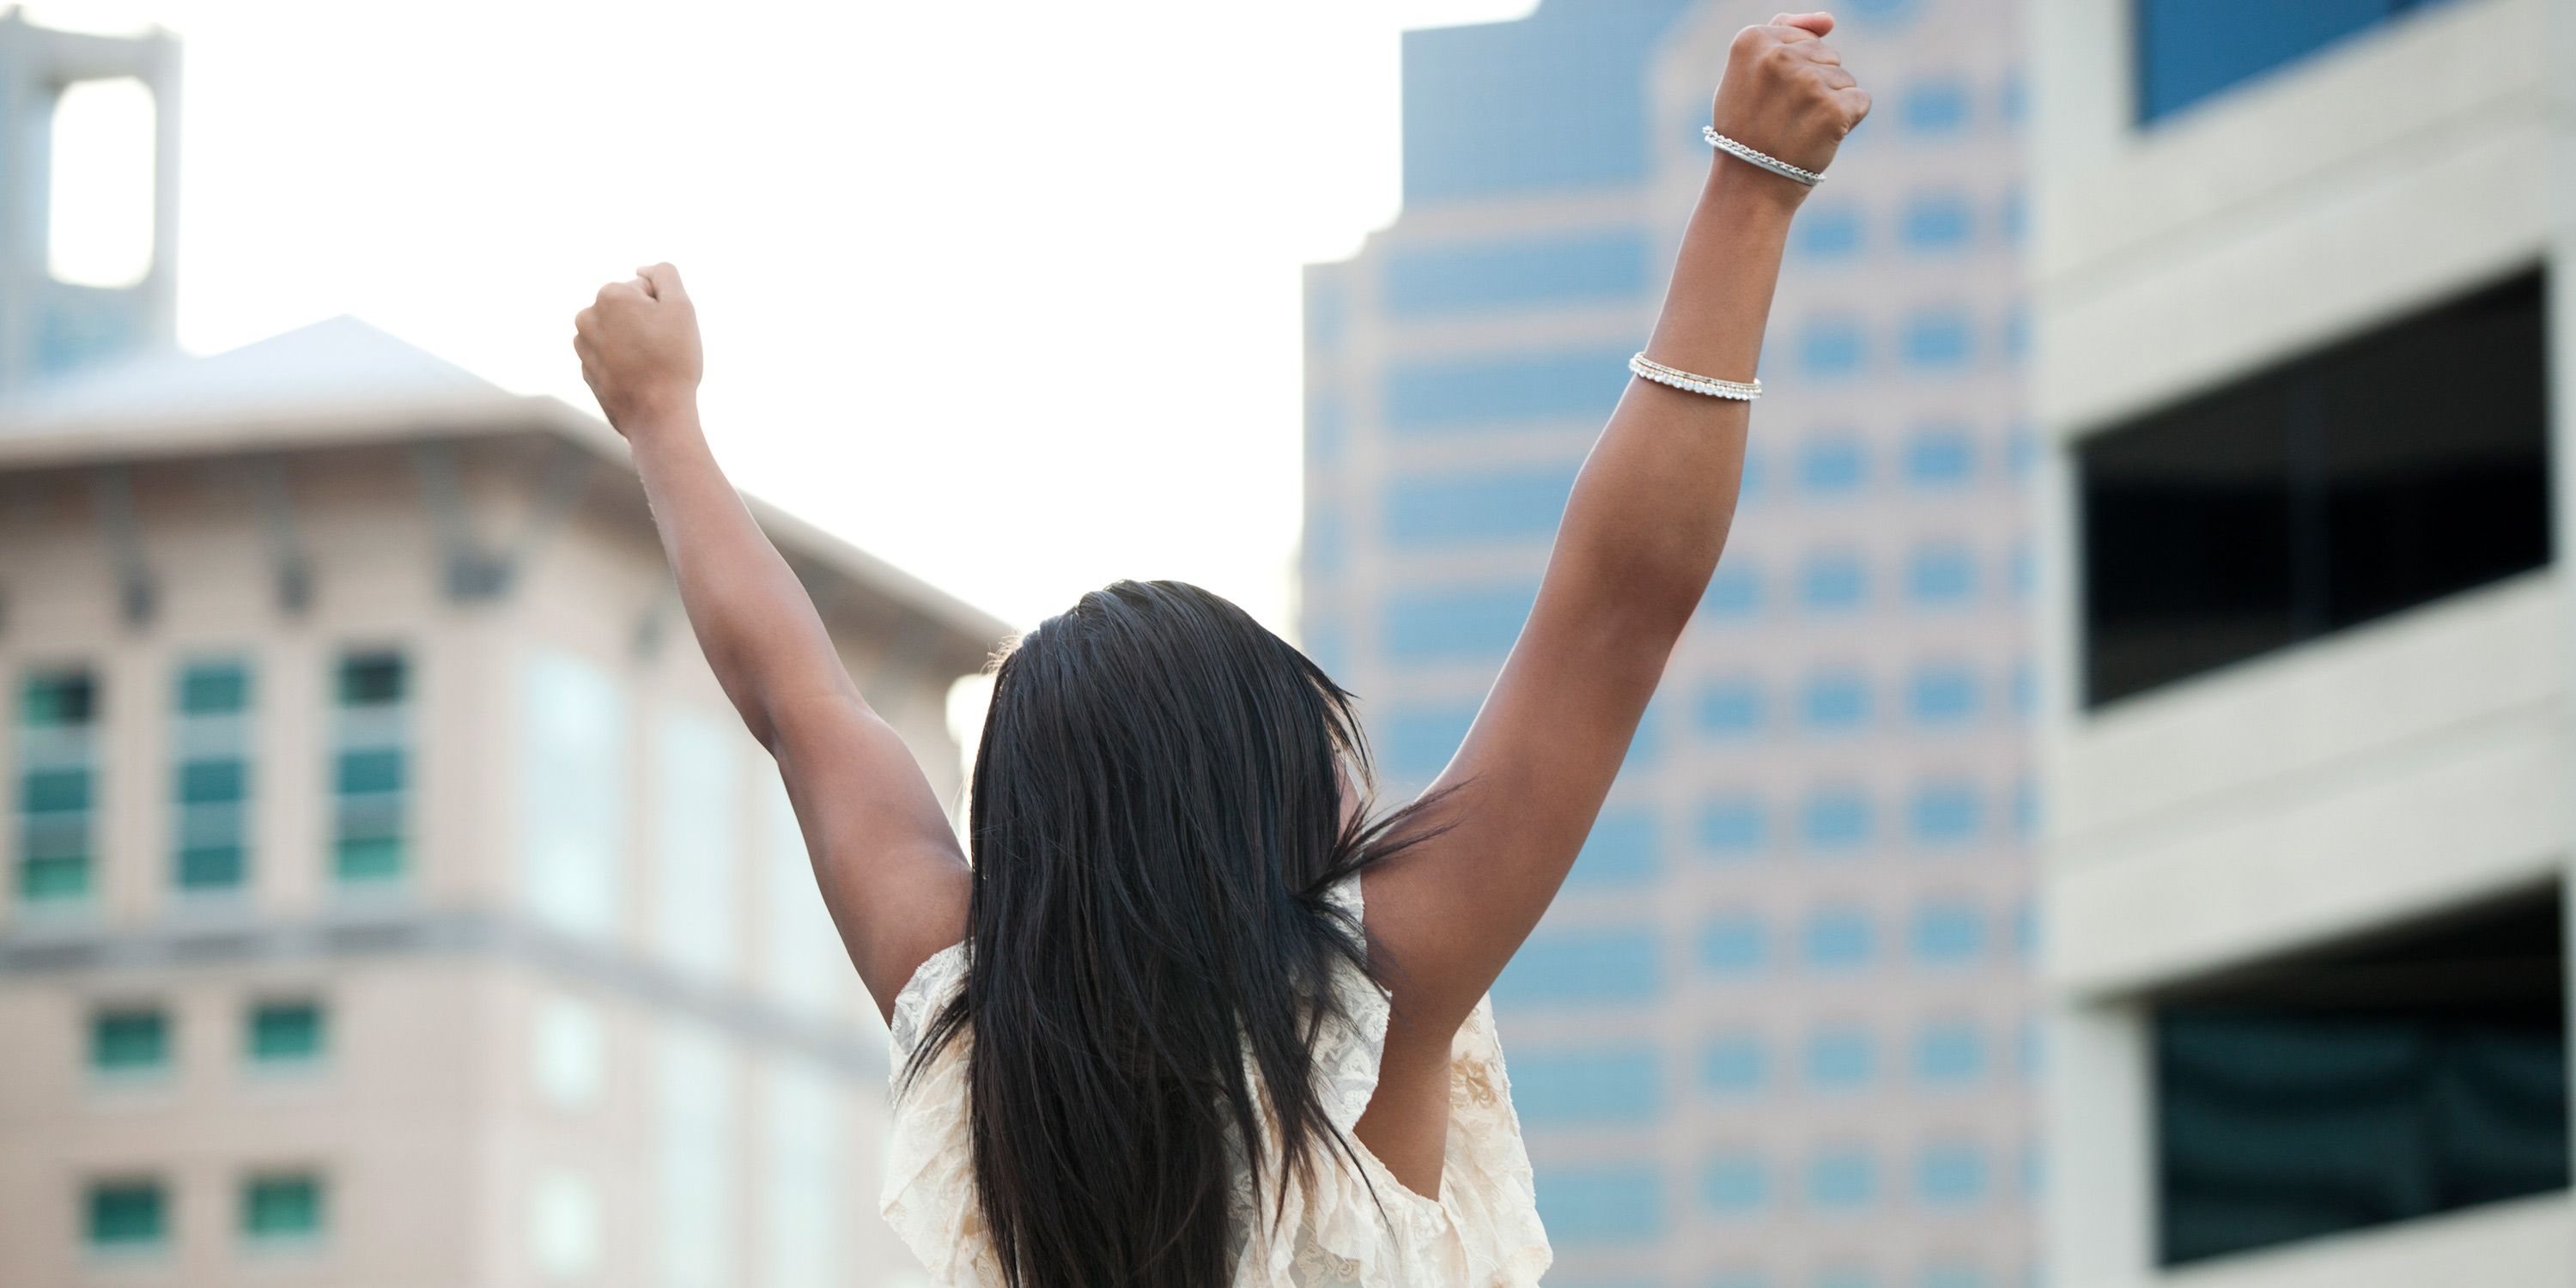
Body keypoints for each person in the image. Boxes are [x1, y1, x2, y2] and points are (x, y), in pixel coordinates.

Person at [572, 12, 1867, 1286]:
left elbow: (802, 705)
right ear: (1256, 807)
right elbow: (1614, 611)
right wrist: (1751, 194)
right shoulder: (1377, 998)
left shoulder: (975, 1035)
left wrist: (662, 421)